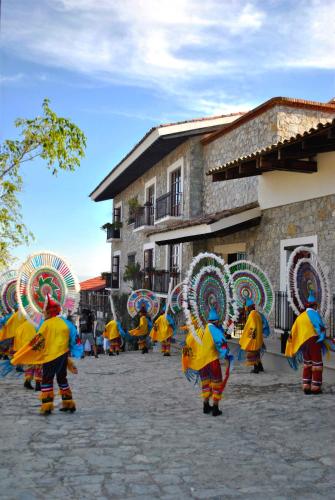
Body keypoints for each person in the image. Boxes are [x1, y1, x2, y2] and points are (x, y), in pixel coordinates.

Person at [11, 295, 82, 415]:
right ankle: (68, 403)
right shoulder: (65, 324)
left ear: (49, 312)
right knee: (62, 378)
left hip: (50, 357)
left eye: (44, 311)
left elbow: (37, 341)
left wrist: (23, 353)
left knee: (47, 380)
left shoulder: (46, 324)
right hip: (63, 355)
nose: (43, 313)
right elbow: (73, 339)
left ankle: (47, 406)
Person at [182, 307, 233, 417]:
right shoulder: (214, 330)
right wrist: (227, 356)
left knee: (205, 383)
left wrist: (189, 358)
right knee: (216, 383)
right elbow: (221, 343)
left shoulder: (200, 330)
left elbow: (189, 341)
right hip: (212, 361)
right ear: (216, 321)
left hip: (201, 362)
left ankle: (205, 405)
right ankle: (215, 408)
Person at [285, 291, 327, 395]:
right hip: (314, 341)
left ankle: (306, 386)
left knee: (307, 364)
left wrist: (292, 345)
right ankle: (316, 387)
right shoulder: (314, 314)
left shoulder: (300, 317)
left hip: (303, 344)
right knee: (317, 364)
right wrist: (322, 338)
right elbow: (320, 328)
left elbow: (293, 331)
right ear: (314, 305)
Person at [239, 297, 270, 373]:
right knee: (257, 353)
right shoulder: (257, 313)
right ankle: (260, 367)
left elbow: (252, 327)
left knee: (254, 353)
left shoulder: (252, 314)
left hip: (254, 338)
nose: (246, 309)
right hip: (258, 337)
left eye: (247, 307)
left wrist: (250, 336)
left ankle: (256, 369)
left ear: (250, 307)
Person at [13, 318, 42, 391]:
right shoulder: (36, 325)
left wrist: (18, 351)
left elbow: (16, 340)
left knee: (30, 366)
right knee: (38, 366)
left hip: (25, 350)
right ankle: (38, 384)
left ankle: (27, 381)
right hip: (35, 348)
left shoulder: (20, 327)